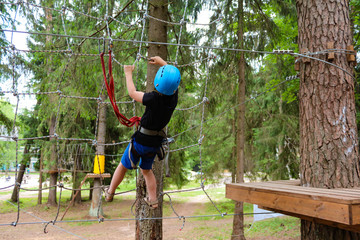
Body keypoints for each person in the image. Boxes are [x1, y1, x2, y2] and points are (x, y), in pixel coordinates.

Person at [105, 56, 180, 209]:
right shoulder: (173, 98)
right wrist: (162, 62)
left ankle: (110, 192)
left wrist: (128, 73)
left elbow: (132, 93)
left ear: (158, 82)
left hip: (140, 141)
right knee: (146, 171)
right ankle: (153, 200)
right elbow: (174, 78)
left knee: (122, 165)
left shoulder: (153, 98)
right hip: (155, 143)